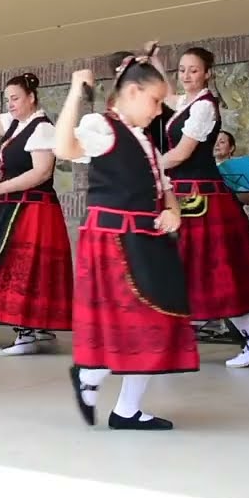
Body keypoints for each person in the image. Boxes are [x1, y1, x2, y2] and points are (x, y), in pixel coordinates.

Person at [56, 57, 193, 429]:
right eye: (155, 100)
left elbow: (165, 189)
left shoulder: (146, 140)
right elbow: (64, 148)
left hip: (149, 239)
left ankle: (125, 406)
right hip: (114, 241)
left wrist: (173, 211)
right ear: (132, 92)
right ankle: (91, 378)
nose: (159, 110)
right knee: (125, 321)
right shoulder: (101, 126)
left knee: (156, 321)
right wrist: (74, 94)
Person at [161, 48, 249, 368]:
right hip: (183, 194)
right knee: (185, 268)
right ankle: (179, 338)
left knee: (214, 269)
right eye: (181, 69)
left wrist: (146, 164)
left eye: (193, 70)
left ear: (208, 72)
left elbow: (182, 154)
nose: (186, 75)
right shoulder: (183, 103)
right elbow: (164, 94)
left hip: (201, 197)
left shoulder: (204, 107)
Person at [0, 65, 73, 355]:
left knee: (25, 266)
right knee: (15, 264)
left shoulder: (42, 127)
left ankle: (28, 331)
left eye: (15, 98)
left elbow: (41, 172)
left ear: (31, 98)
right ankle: (34, 328)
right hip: (15, 207)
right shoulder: (16, 124)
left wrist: (0, 188)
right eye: (8, 99)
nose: (10, 104)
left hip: (33, 209)